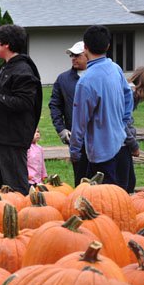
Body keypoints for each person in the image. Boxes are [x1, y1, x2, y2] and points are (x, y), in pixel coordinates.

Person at [0, 24, 42, 195]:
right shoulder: (7, 66)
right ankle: (3, 218)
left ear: (7, 44)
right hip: (2, 136)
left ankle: (22, 218)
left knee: (16, 186)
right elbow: (7, 96)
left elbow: (25, 102)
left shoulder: (23, 70)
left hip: (13, 136)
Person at [69, 25, 134, 188]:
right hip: (121, 144)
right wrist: (123, 121)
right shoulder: (116, 69)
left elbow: (79, 122)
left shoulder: (85, 82)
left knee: (104, 200)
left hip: (101, 152)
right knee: (121, 196)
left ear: (85, 48)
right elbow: (128, 95)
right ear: (108, 46)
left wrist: (75, 151)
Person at [49, 40, 89, 185]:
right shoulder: (63, 79)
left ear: (87, 55)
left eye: (77, 55)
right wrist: (61, 129)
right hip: (75, 136)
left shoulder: (96, 76)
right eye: (72, 55)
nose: (73, 58)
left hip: (97, 135)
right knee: (80, 174)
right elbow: (55, 105)